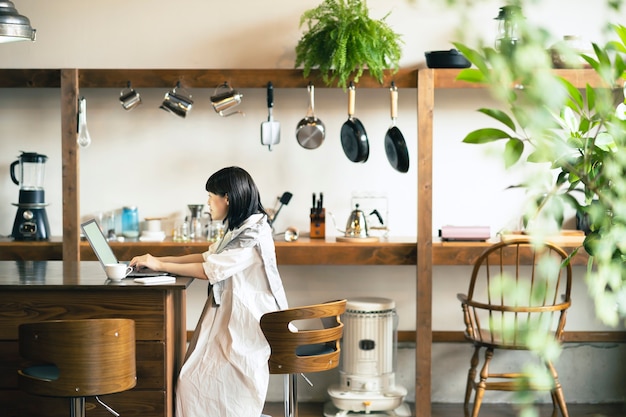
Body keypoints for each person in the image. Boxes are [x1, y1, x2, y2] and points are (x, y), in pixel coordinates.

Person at [130, 166, 289, 417]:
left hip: (248, 324)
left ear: (227, 198)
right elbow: (208, 256)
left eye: (210, 196)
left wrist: (160, 265)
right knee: (192, 378)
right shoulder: (242, 226)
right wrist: (155, 259)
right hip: (232, 317)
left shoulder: (252, 233)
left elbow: (210, 269)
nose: (207, 203)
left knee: (194, 382)